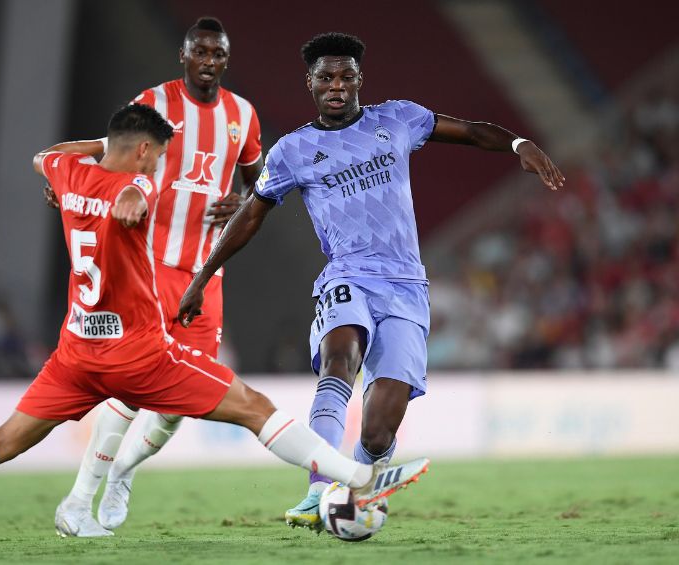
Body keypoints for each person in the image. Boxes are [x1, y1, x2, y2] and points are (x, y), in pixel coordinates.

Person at [0, 103, 427, 558]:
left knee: (5, 439)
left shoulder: (65, 170)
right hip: (139, 355)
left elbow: (43, 156)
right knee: (252, 405)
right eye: (155, 159)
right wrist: (130, 193)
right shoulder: (140, 187)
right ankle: (358, 475)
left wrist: (102, 152)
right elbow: (132, 194)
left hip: (76, 352)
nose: (156, 171)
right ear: (145, 152)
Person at [177, 32, 564, 531]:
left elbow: (468, 132)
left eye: (345, 76)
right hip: (346, 275)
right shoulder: (294, 150)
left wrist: (517, 143)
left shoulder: (398, 119)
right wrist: (203, 274)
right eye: (325, 78)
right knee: (340, 360)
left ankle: (359, 478)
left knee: (383, 426)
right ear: (310, 84)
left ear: (360, 79)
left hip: (405, 286)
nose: (336, 86)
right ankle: (318, 491)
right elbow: (251, 215)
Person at [45, 16, 265, 536]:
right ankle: (79, 498)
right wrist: (58, 164)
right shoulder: (155, 102)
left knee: (178, 404)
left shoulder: (243, 115)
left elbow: (264, 184)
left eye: (218, 54)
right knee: (129, 385)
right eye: (201, 52)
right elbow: (109, 148)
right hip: (148, 265)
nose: (209, 62)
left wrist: (243, 199)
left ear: (226, 60)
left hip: (205, 272)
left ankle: (122, 473)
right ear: (183, 56)